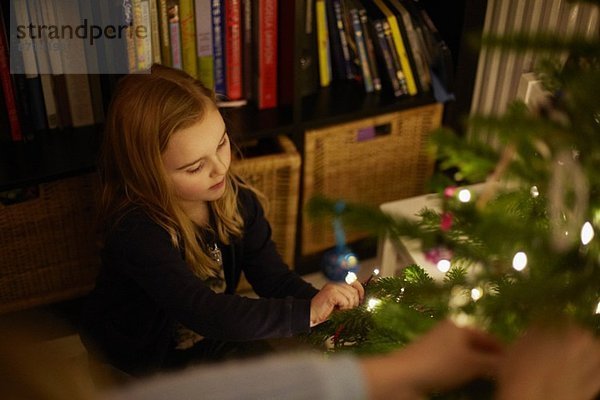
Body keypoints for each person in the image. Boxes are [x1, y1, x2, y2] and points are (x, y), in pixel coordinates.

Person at [80, 63, 364, 376]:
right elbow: (203, 310)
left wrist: (323, 305)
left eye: (221, 143)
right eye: (193, 167)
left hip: (209, 339)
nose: (220, 169)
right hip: (139, 361)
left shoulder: (238, 201)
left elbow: (274, 280)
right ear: (147, 174)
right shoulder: (136, 231)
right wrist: (305, 314)